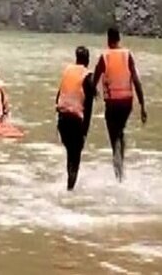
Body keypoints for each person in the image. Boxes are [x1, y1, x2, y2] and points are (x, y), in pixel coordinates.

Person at [92, 26, 147, 181]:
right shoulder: (127, 55)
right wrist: (142, 106)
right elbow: (136, 81)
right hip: (126, 103)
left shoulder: (105, 57)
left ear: (108, 39)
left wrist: (93, 92)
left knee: (113, 135)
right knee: (120, 129)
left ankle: (118, 168)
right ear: (119, 38)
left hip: (112, 104)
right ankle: (120, 164)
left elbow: (93, 81)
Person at [55, 46, 96, 190]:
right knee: (75, 157)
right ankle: (70, 190)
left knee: (70, 154)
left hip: (62, 121)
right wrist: (85, 132)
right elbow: (89, 108)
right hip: (75, 121)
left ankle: (69, 184)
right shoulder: (88, 76)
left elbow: (58, 97)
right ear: (87, 60)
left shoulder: (67, 71)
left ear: (76, 58)